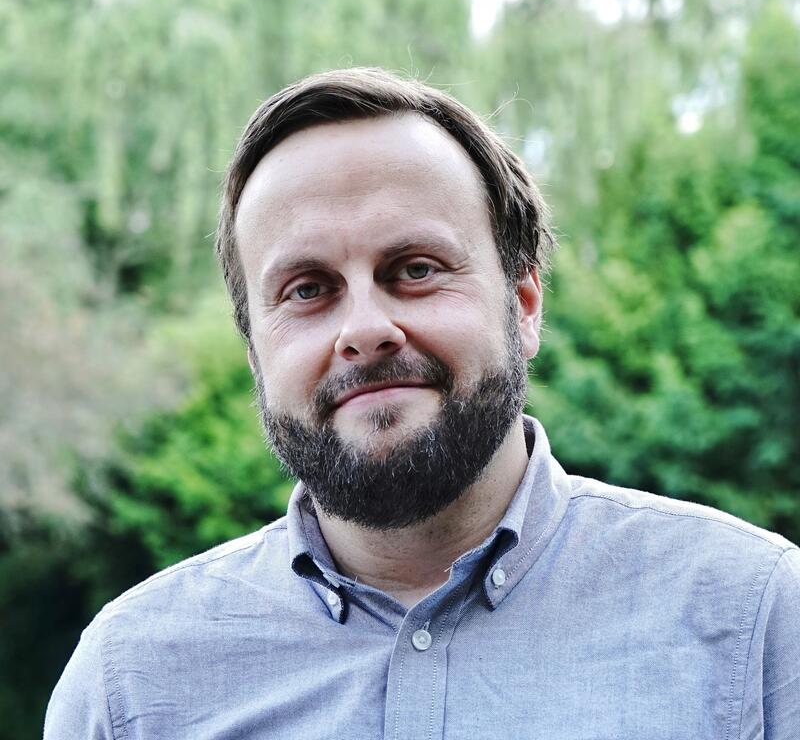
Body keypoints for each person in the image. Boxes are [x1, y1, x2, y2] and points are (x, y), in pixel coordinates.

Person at [45, 68, 799, 739]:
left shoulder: (756, 621)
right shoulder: (129, 687)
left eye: (415, 269)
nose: (364, 329)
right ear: (254, 354)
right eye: (307, 289)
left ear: (524, 303)